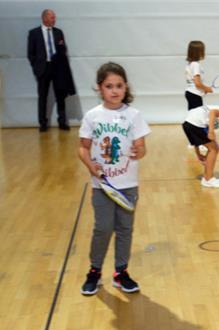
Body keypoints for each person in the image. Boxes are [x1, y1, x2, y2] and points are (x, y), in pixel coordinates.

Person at [78, 62, 150, 296]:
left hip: (128, 185)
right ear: (100, 88)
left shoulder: (133, 115)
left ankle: (121, 272)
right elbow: (83, 149)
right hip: (103, 187)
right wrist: (92, 168)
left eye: (119, 85)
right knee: (103, 228)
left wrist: (139, 151)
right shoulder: (92, 116)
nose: (115, 90)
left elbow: (142, 147)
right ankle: (94, 271)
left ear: (125, 87)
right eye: (109, 86)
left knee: (125, 229)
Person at [27, 9, 76, 132]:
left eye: (54, 17)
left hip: (58, 68)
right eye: (52, 17)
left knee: (60, 96)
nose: (54, 20)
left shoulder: (59, 32)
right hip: (43, 68)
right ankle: (43, 123)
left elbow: (63, 49)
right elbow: (30, 53)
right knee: (42, 96)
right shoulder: (34, 33)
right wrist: (36, 67)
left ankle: (62, 122)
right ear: (44, 18)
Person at [185, 40, 213, 111]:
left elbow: (194, 82)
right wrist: (207, 88)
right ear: (199, 52)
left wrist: (203, 90)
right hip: (194, 94)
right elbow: (197, 83)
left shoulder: (190, 64)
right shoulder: (196, 65)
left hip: (190, 93)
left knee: (192, 115)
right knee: (197, 117)